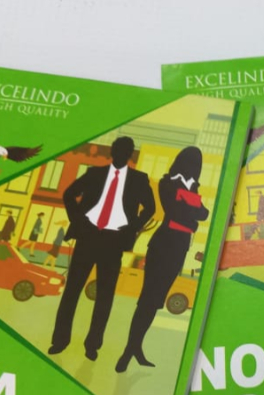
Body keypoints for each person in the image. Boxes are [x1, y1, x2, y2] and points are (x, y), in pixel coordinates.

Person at [48, 136, 155, 361]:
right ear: (112, 152)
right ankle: (60, 341)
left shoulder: (138, 179)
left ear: (129, 155)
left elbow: (150, 208)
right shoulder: (94, 174)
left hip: (114, 241)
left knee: (105, 296)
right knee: (72, 292)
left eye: (124, 151)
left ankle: (93, 345)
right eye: (117, 150)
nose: (120, 154)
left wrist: (132, 228)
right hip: (87, 237)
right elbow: (69, 194)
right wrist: (78, 221)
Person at [117, 147, 209, 372]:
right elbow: (178, 212)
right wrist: (192, 213)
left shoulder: (192, 187)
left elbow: (203, 214)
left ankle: (136, 347)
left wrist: (189, 207)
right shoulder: (167, 183)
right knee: (147, 298)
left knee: (156, 300)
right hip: (163, 245)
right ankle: (128, 350)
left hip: (179, 248)